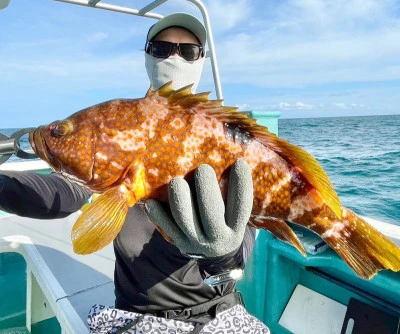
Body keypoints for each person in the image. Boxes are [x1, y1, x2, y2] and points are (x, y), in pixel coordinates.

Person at [0, 13, 269, 334]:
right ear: (146, 55)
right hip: (140, 317)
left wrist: (222, 259)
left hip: (222, 312)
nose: (174, 56)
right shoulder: (118, 127)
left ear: (202, 60)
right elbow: (62, 194)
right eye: (161, 48)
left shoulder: (223, 139)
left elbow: (237, 264)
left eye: (188, 51)